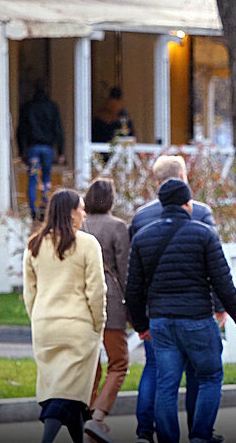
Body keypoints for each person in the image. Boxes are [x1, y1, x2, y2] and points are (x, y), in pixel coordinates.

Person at [126, 178, 236, 443]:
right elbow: (222, 282)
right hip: (196, 320)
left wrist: (141, 326)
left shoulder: (142, 237)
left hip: (161, 322)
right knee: (210, 377)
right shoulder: (204, 235)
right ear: (187, 204)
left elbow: (134, 289)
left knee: (167, 384)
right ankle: (200, 436)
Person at [23, 189, 106, 443]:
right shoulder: (87, 243)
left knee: (62, 387)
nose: (84, 213)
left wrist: (37, 318)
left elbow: (30, 293)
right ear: (71, 212)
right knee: (67, 391)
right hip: (78, 326)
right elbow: (96, 290)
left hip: (44, 325)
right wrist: (98, 322)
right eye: (81, 208)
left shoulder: (34, 244)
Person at [81, 178, 130, 443]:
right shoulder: (118, 227)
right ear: (110, 200)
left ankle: (86, 414)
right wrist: (133, 312)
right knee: (119, 362)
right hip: (110, 299)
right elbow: (125, 271)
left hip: (82, 300)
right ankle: (97, 417)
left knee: (91, 363)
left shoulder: (80, 225)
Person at [16, 82, 66, 220]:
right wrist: (61, 151)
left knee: (32, 178)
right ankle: (45, 207)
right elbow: (58, 129)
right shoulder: (52, 107)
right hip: (48, 148)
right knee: (46, 178)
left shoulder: (28, 107)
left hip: (33, 147)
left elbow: (21, 130)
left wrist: (21, 150)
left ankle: (32, 210)